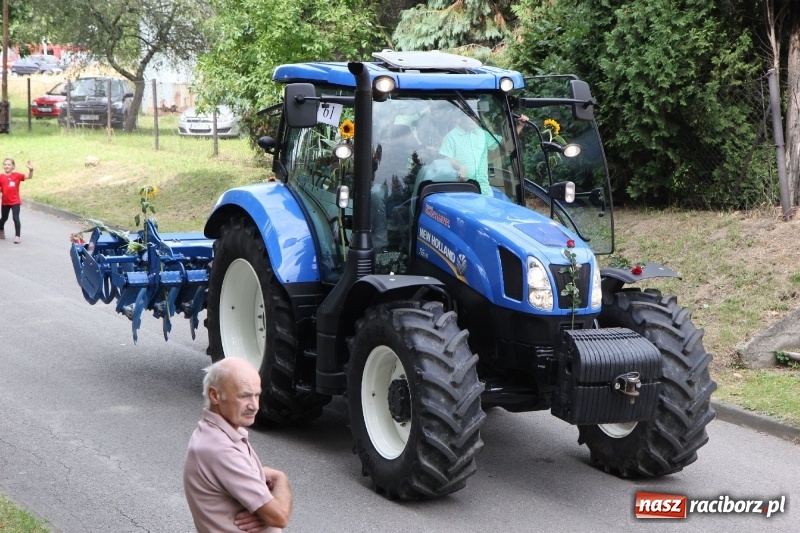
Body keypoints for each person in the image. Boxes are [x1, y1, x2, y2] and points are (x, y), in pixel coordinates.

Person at [183, 358, 293, 533]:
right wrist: (281, 479)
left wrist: (264, 515)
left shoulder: (216, 434)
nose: (255, 406)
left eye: (256, 395)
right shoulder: (220, 450)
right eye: (244, 396)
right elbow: (279, 516)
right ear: (215, 395)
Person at [439, 113, 528, 196]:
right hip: (462, 190)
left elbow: (506, 144)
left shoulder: (483, 134)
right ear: (461, 118)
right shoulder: (451, 137)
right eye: (471, 117)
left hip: (484, 190)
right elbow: (446, 158)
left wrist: (520, 126)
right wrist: (460, 166)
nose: (474, 120)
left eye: (476, 117)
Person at [0, 158, 34, 244]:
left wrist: (31, 170)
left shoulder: (17, 176)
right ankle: (1, 230)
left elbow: (29, 177)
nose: (7, 166)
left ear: (13, 166)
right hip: (5, 201)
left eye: (9, 164)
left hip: (15, 201)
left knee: (16, 218)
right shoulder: (1, 177)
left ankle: (17, 236)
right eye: (5, 164)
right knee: (4, 218)